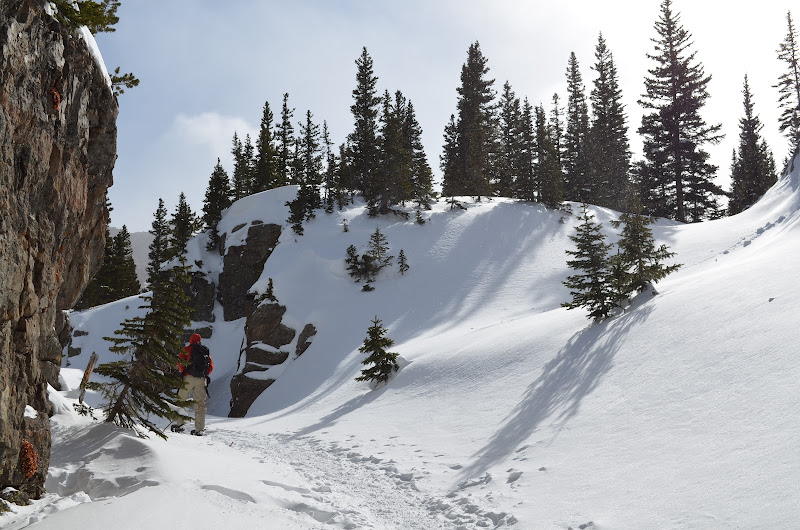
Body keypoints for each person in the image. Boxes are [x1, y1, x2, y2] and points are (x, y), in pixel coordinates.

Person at [171, 333, 214, 436]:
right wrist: (204, 375)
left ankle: (179, 424)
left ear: (190, 340)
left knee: (182, 400)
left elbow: (180, 361)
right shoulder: (204, 351)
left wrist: (184, 372)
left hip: (188, 378)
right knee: (200, 404)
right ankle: (199, 430)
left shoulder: (186, 349)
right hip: (200, 380)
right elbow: (211, 366)